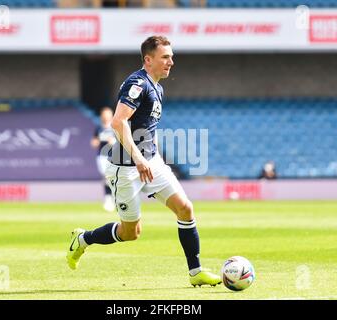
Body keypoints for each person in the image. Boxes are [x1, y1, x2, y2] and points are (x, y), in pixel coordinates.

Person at [67, 35, 222, 287]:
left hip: (151, 163)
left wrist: (154, 157)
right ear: (148, 60)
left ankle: (196, 272)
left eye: (171, 56)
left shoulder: (157, 87)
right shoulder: (137, 83)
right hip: (126, 168)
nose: (171, 61)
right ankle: (83, 239)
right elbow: (118, 121)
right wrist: (139, 159)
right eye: (165, 57)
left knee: (185, 209)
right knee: (131, 233)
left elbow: (149, 128)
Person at [91, 107, 117, 212]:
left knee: (114, 177)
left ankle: (115, 198)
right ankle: (108, 199)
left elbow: (122, 141)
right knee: (107, 177)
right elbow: (94, 142)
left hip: (114, 156)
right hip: (102, 156)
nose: (106, 117)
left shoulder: (115, 127)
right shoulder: (99, 128)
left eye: (108, 114)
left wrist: (113, 141)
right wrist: (97, 141)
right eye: (104, 115)